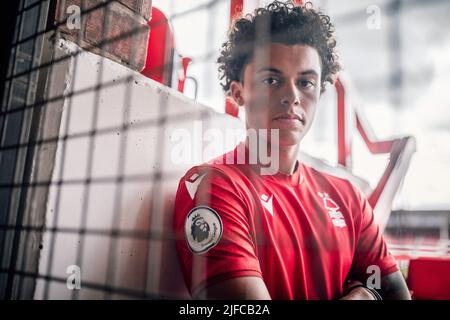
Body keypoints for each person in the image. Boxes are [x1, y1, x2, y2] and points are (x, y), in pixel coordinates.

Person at [173, 1, 411, 300]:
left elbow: (395, 295)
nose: (291, 96)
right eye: (271, 80)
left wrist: (372, 295)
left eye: (306, 82)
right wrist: (364, 296)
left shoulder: (349, 199)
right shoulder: (211, 187)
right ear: (238, 92)